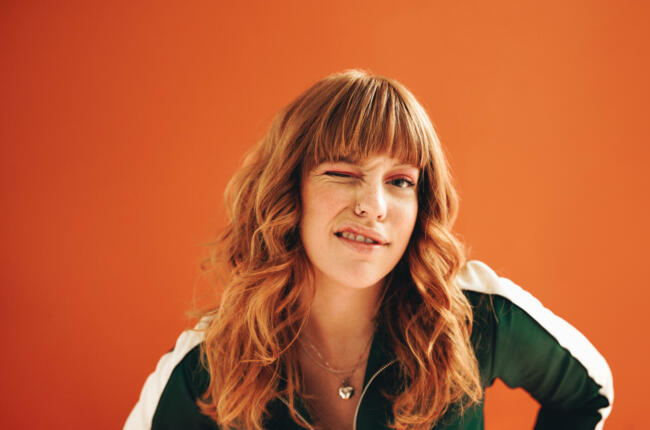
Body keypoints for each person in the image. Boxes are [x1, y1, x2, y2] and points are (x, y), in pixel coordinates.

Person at [125, 70, 613, 430]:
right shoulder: (209, 363)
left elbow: (588, 393)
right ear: (287, 190)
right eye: (343, 173)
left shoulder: (472, 314)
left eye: (400, 181)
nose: (374, 206)